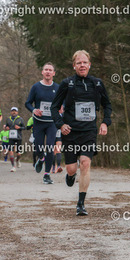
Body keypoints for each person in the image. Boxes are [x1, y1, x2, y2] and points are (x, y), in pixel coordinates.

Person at [51, 50, 112, 216]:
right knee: (71, 168)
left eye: (85, 62)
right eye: (79, 63)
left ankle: (81, 203)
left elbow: (107, 105)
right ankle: (71, 175)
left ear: (89, 64)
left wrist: (105, 122)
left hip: (89, 131)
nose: (82, 65)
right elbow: (54, 107)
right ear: (74, 66)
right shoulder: (67, 84)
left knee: (85, 163)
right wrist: (60, 125)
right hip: (70, 132)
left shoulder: (97, 84)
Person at [25, 63, 60, 184]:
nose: (48, 72)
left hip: (52, 123)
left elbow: (64, 102)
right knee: (38, 147)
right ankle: (41, 158)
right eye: (46, 70)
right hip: (38, 122)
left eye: (50, 70)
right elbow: (28, 103)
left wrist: (62, 107)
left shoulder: (58, 87)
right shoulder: (36, 87)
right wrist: (34, 110)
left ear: (54, 73)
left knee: (50, 147)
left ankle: (47, 175)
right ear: (42, 72)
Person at [5, 107, 25, 172]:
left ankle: (17, 160)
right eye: (13, 111)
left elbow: (24, 127)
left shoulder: (20, 119)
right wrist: (6, 128)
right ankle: (13, 166)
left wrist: (19, 127)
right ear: (11, 112)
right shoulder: (8, 119)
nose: (14, 112)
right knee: (10, 151)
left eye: (15, 111)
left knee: (19, 153)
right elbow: (6, 126)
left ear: (17, 112)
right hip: (11, 137)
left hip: (18, 137)